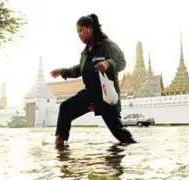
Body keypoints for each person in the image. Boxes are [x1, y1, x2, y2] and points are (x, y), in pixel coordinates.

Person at [50, 14, 136, 146]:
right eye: (77, 32)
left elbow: (121, 62)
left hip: (106, 97)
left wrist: (108, 64)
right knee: (65, 108)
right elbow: (80, 69)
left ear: (90, 28)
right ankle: (60, 144)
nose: (79, 35)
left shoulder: (107, 45)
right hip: (89, 94)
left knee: (118, 132)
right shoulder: (85, 53)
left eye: (80, 30)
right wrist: (62, 71)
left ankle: (135, 146)